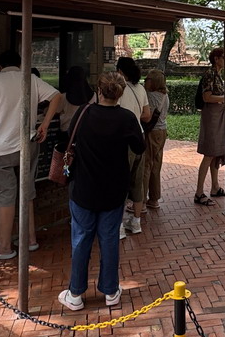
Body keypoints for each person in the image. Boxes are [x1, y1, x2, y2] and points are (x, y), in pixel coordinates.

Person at [57, 70, 145, 311]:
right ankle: (110, 291)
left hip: (83, 188)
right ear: (120, 93)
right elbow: (140, 147)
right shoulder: (127, 118)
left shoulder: (83, 114)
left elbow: (68, 141)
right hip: (114, 189)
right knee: (109, 239)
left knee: (81, 238)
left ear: (98, 90)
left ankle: (75, 293)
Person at [0, 51, 63, 260]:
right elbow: (56, 96)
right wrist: (43, 124)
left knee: (5, 196)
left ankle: (5, 248)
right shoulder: (31, 79)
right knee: (27, 191)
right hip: (28, 143)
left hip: (0, 147)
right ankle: (31, 240)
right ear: (20, 64)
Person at [195, 47, 225, 205]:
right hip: (212, 117)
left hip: (219, 116)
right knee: (209, 153)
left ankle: (215, 186)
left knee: (216, 153)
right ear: (216, 59)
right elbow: (206, 97)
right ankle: (199, 192)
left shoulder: (219, 75)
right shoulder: (210, 74)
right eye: (224, 57)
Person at [114, 56, 152, 236]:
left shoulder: (119, 90)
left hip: (122, 141)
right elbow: (147, 116)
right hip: (140, 138)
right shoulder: (141, 88)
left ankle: (119, 225)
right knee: (137, 182)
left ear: (120, 71)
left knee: (120, 181)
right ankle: (136, 222)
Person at [142, 69, 170, 210]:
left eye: (147, 79)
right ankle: (154, 199)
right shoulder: (164, 95)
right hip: (162, 130)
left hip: (151, 132)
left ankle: (141, 200)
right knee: (156, 165)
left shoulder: (150, 96)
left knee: (147, 164)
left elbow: (146, 115)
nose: (145, 81)